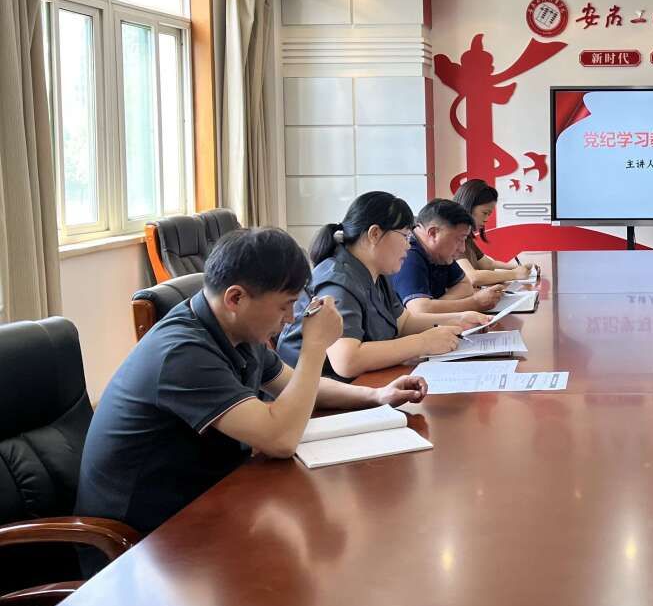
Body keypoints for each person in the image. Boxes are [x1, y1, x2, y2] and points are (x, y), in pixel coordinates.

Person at [76, 227, 428, 541]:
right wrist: (314, 347)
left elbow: (296, 386)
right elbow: (279, 439)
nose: (291, 318)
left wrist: (375, 395)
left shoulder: (236, 328)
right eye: (285, 306)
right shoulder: (183, 353)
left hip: (210, 501)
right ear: (236, 298)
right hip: (145, 540)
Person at [275, 191, 466, 380]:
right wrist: (423, 342)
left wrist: (460, 319)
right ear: (375, 234)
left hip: (360, 385)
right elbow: (346, 360)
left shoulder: (377, 273)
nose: (408, 246)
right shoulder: (337, 281)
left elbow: (403, 323)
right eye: (405, 236)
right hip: (315, 393)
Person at [391, 198, 506, 318]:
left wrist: (435, 305)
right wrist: (474, 303)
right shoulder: (408, 254)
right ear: (433, 233)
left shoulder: (439, 252)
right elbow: (419, 310)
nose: (462, 249)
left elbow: (465, 286)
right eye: (459, 239)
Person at [453, 178, 537, 286]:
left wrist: (519, 267)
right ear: (468, 206)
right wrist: (514, 274)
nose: (486, 219)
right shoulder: (453, 238)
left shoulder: (466, 237)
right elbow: (473, 277)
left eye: (489, 214)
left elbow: (488, 264)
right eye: (485, 213)